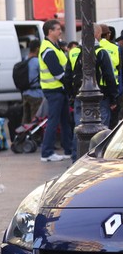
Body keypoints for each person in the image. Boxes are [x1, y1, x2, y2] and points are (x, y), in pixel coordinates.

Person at [38, 19, 74, 162]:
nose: (60, 31)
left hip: (59, 90)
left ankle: (68, 150)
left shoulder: (55, 46)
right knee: (54, 121)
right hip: (54, 90)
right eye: (58, 29)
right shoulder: (48, 49)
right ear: (50, 31)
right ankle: (46, 153)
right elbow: (58, 73)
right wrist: (70, 83)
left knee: (65, 121)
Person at [21, 39, 44, 126]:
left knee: (25, 120)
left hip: (25, 93)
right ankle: (34, 138)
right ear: (37, 48)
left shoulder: (25, 59)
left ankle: (23, 137)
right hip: (36, 94)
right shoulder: (37, 62)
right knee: (35, 120)